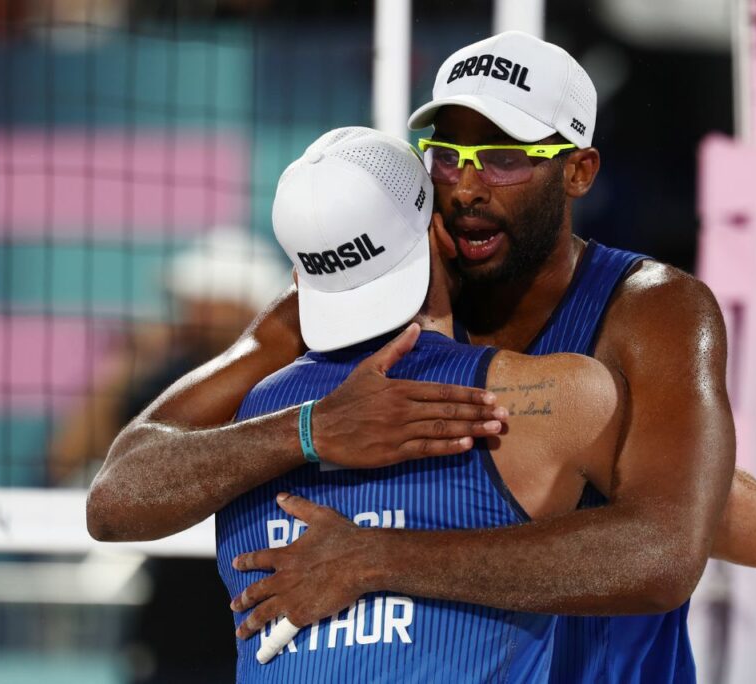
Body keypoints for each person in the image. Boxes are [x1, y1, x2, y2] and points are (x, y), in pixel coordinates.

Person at [88, 32, 756, 683]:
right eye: (447, 153)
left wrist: (375, 560)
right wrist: (307, 430)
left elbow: (672, 554)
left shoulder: (651, 309)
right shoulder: (364, 289)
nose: (466, 185)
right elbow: (119, 495)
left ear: (578, 171)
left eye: (506, 157)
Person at [217, 126, 636, 680]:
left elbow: (116, 495)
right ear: (439, 234)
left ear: (301, 276)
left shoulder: (240, 416)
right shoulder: (552, 399)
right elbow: (735, 537)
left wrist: (371, 552)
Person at [53, 231, 285, 682]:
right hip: (178, 627)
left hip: (262, 620)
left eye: (199, 300)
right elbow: (68, 456)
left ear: (240, 306)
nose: (185, 312)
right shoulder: (161, 380)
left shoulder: (292, 381)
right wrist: (127, 361)